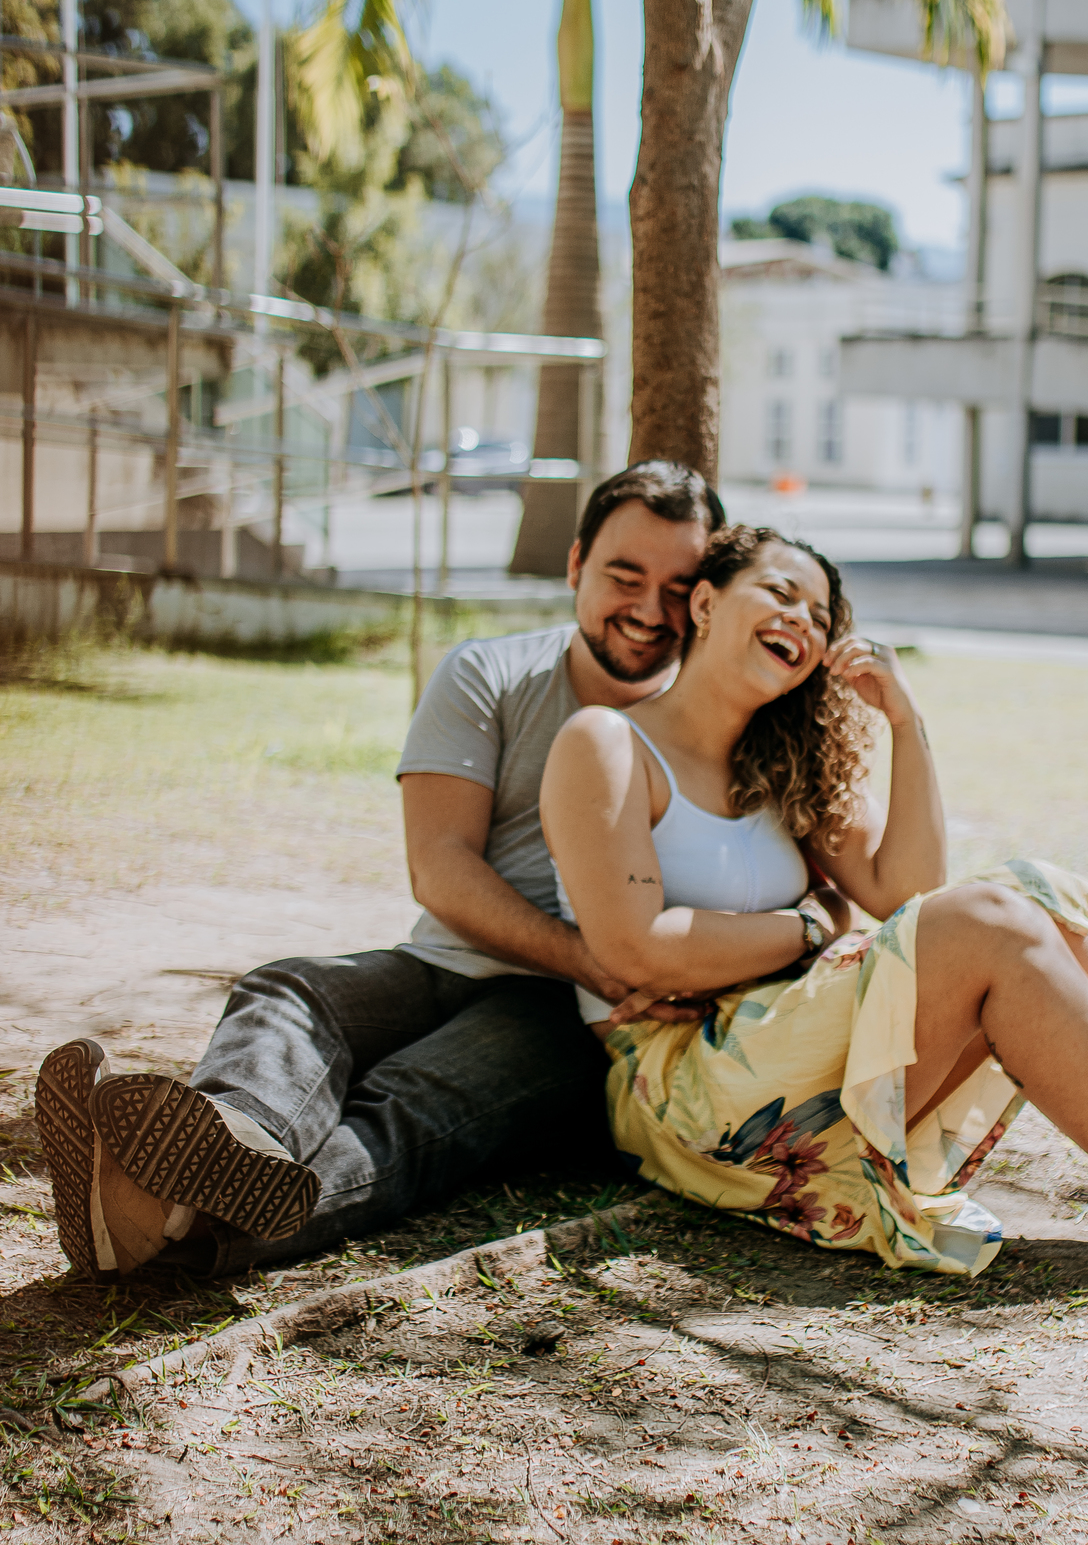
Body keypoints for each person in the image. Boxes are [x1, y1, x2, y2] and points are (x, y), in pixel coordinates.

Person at [35, 461, 739, 1283]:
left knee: (412, 1104)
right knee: (290, 989)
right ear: (577, 564)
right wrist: (594, 956)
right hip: (450, 961)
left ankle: (173, 1215)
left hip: (566, 1013)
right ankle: (231, 1138)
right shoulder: (492, 674)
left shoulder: (707, 717)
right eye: (626, 577)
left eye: (677, 587)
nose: (649, 612)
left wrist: (612, 972)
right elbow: (439, 869)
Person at [540, 523, 1088, 1279]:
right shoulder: (608, 742)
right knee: (992, 918)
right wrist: (813, 924)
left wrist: (905, 723)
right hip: (683, 1083)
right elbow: (638, 948)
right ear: (705, 603)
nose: (801, 621)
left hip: (793, 1032)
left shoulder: (784, 762)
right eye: (780, 593)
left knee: (1044, 895)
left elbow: (913, 897)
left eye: (819, 618)